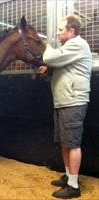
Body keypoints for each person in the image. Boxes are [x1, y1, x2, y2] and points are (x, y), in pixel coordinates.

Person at [39, 15, 92, 199]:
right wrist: (49, 71)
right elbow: (57, 66)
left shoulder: (77, 44)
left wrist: (46, 46)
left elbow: (51, 57)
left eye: (61, 29)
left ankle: (74, 186)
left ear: (71, 31)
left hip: (73, 101)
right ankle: (69, 177)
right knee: (65, 142)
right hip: (63, 100)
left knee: (73, 143)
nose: (58, 32)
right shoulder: (68, 49)